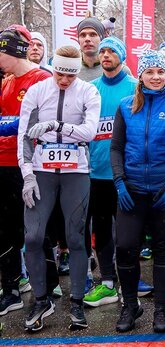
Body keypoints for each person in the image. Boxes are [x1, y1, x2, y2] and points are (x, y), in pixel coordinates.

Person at [18, 45, 101, 331]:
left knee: (75, 237)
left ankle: (76, 301)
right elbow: (24, 136)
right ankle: (41, 299)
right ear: (53, 68)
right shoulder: (37, 91)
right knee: (33, 237)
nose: (64, 80)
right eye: (59, 74)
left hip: (75, 171)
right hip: (41, 170)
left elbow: (90, 132)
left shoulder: (89, 92)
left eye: (70, 75)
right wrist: (27, 175)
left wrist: (56, 125)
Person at [110, 50, 165, 333]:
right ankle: (130, 305)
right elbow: (116, 148)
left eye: (160, 72)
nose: (156, 77)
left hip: (163, 191)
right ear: (140, 75)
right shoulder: (125, 105)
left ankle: (161, 310)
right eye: (149, 72)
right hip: (131, 190)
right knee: (125, 247)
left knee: (164, 250)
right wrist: (119, 181)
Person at [0, 26, 52, 318]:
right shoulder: (6, 81)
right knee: (5, 229)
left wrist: (8, 126)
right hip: (4, 163)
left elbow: (34, 122)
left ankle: (46, 290)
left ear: (11, 52)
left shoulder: (41, 79)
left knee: (36, 230)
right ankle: (11, 290)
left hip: (31, 165)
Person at [83, 36, 138, 308]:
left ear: (122, 56)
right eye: (102, 51)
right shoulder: (90, 88)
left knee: (129, 233)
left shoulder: (135, 87)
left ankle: (132, 281)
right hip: (97, 173)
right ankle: (107, 283)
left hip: (127, 174)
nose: (105, 55)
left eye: (111, 51)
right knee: (102, 230)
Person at [77, 17, 106, 82]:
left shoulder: (117, 69)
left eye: (93, 35)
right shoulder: (70, 68)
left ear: (101, 38)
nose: (87, 39)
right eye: (83, 35)